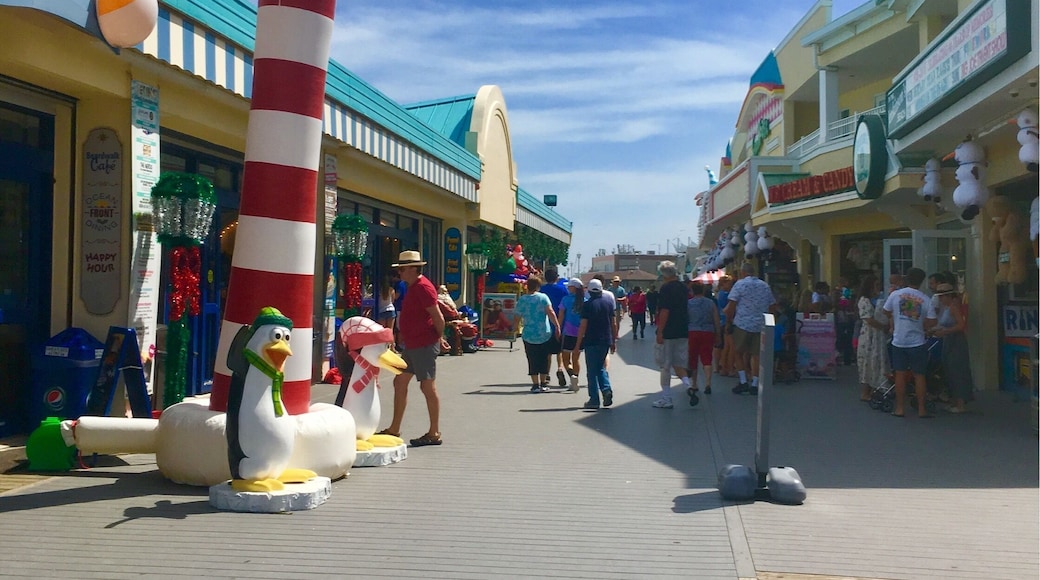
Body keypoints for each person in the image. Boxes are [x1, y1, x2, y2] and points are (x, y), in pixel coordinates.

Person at [380, 250, 445, 447]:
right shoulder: (414, 286)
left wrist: (439, 338)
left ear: (412, 269)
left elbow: (437, 316)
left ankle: (434, 432)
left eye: (402, 269)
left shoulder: (423, 288)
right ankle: (394, 428)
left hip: (423, 344)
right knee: (400, 382)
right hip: (413, 344)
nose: (399, 273)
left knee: (427, 386)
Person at [882, 267, 937, 418]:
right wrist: (922, 325)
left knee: (899, 374)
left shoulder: (896, 295)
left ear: (906, 278)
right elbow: (932, 321)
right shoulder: (925, 299)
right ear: (922, 281)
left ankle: (900, 408)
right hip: (917, 341)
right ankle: (921, 409)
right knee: (920, 375)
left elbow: (885, 311)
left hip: (899, 340)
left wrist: (896, 317)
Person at [724, 262, 776, 395]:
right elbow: (772, 306)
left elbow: (731, 306)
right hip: (760, 325)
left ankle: (743, 381)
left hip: (742, 324)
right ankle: (755, 383)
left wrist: (728, 322)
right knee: (756, 354)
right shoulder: (764, 286)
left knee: (738, 352)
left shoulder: (740, 285)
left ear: (742, 272)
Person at [573, 278, 616, 410]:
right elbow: (613, 323)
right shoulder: (608, 303)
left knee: (591, 371)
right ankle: (606, 389)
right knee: (601, 367)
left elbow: (583, 326)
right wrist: (614, 340)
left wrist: (577, 344)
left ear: (590, 291)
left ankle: (594, 399)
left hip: (591, 340)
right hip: (605, 340)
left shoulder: (587, 305)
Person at [930, 282, 973, 413]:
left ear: (948, 296)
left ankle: (960, 404)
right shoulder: (946, 309)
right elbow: (943, 325)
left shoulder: (954, 307)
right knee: (948, 370)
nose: (940, 299)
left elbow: (961, 325)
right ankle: (954, 401)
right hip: (948, 341)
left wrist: (945, 332)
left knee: (957, 370)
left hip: (957, 342)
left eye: (942, 297)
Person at [652, 261, 690, 408]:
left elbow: (665, 311)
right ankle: (688, 386)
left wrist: (660, 331)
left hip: (669, 331)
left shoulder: (666, 289)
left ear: (664, 274)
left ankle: (666, 398)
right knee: (679, 362)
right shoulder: (683, 288)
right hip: (683, 329)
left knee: (665, 365)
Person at [515, 275, 562, 393]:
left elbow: (517, 316)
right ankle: (543, 383)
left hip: (529, 334)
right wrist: (557, 325)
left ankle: (535, 384)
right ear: (538, 286)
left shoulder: (522, 299)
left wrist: (514, 329)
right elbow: (550, 312)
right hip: (544, 333)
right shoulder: (543, 297)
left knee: (532, 358)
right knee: (544, 358)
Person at [856, 275, 889, 401]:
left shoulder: (878, 299)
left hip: (878, 335)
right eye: (876, 285)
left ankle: (876, 388)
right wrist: (883, 326)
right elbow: (868, 319)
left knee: (877, 360)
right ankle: (865, 392)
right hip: (869, 334)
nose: (878, 287)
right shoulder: (864, 300)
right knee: (867, 361)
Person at [686, 281, 720, 400]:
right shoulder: (710, 303)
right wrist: (718, 334)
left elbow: (686, 319)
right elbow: (716, 319)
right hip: (708, 331)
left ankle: (694, 384)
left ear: (692, 291)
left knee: (693, 358)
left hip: (693, 331)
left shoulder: (688, 304)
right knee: (707, 358)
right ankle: (708, 383)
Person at [540, 267, 570, 387]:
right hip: (560, 323)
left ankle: (546, 374)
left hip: (545, 324)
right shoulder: (563, 289)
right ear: (556, 277)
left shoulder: (541, 290)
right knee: (560, 351)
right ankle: (560, 368)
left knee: (547, 352)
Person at [558, 278, 586, 392]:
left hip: (568, 332)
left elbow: (561, 316)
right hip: (581, 333)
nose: (568, 288)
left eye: (569, 286)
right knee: (576, 359)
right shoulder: (585, 300)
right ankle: (576, 378)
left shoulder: (566, 299)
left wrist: (558, 329)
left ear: (573, 288)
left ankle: (572, 377)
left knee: (565, 359)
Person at [714, 276, 735, 377]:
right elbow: (727, 309)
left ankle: (722, 367)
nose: (730, 285)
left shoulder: (720, 293)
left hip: (722, 321)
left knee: (724, 346)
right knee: (729, 347)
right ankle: (728, 368)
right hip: (726, 321)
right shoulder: (725, 294)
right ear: (724, 283)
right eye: (729, 283)